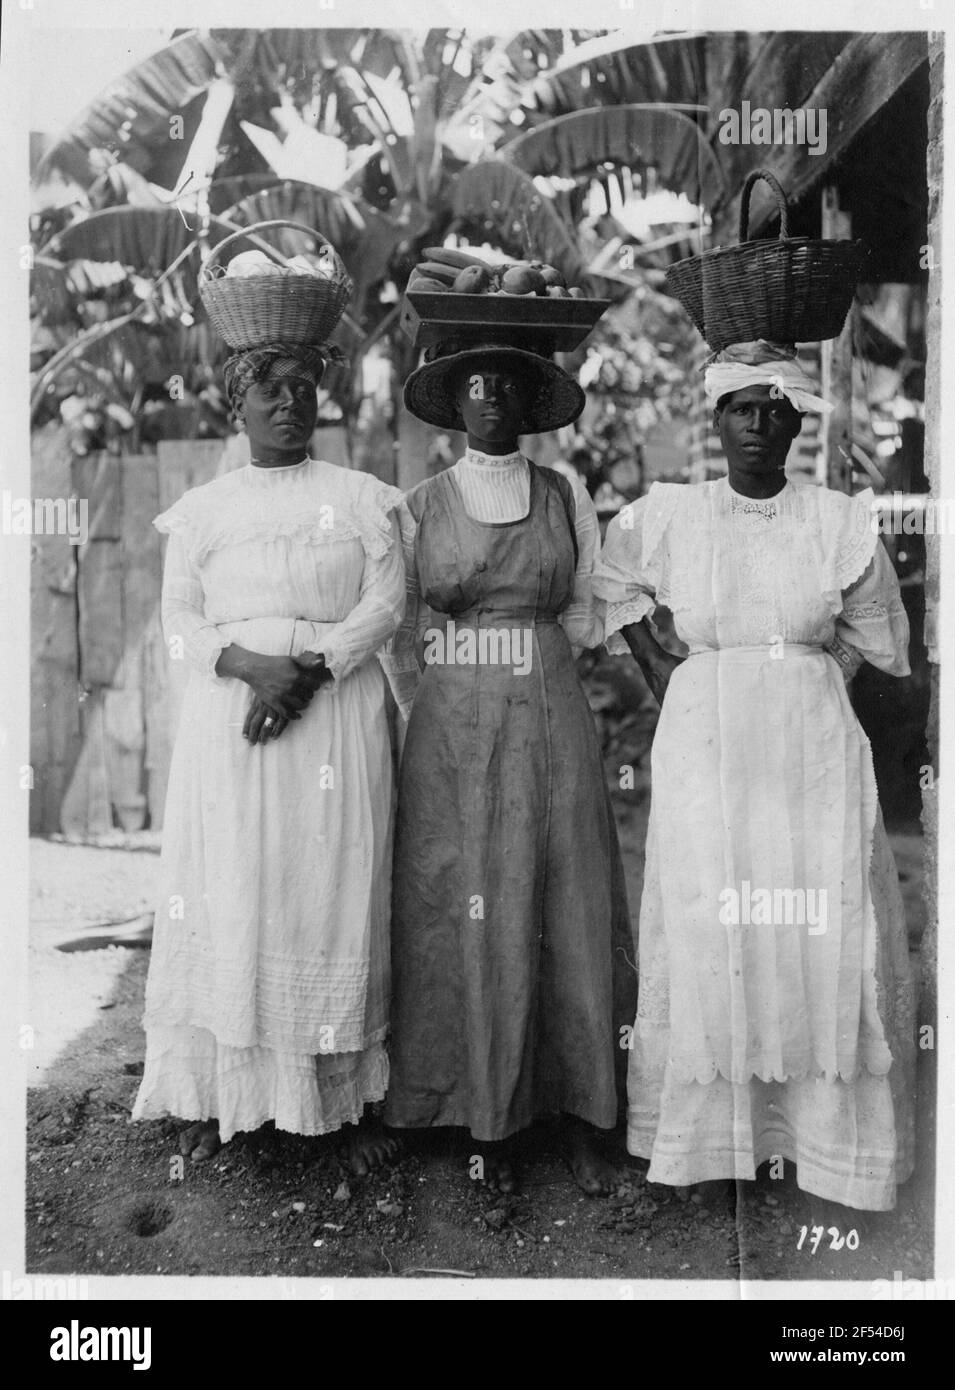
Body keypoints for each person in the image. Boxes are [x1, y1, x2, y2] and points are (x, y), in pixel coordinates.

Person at [592, 341, 915, 1223]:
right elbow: (609, 586)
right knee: (711, 908)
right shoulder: (671, 515)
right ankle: (716, 1142)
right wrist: (665, 668)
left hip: (809, 745)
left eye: (778, 411)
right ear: (716, 418)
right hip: (706, 734)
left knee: (816, 913)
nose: (760, 426)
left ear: (797, 424)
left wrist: (811, 675)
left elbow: (877, 632)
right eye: (743, 408)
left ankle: (824, 1146)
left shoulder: (835, 518)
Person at [132, 334, 406, 1175]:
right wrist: (252, 666)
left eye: (302, 388)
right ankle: (225, 1095)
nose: (288, 402)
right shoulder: (203, 510)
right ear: (236, 407)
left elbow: (388, 602)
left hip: (334, 716)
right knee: (234, 888)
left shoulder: (363, 497)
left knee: (329, 890)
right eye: (270, 391)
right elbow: (179, 621)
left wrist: (313, 669)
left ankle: (335, 1100)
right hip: (232, 723)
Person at [379, 335, 635, 1196]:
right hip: (450, 716)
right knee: (454, 893)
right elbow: (399, 626)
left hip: (548, 706)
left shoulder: (565, 495)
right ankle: (461, 1108)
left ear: (531, 406)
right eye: (475, 384)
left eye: (508, 386)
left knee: (567, 890)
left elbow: (588, 609)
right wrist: (429, 708)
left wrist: (535, 667)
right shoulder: (419, 504)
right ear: (453, 405)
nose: (490, 398)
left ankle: (582, 1113)